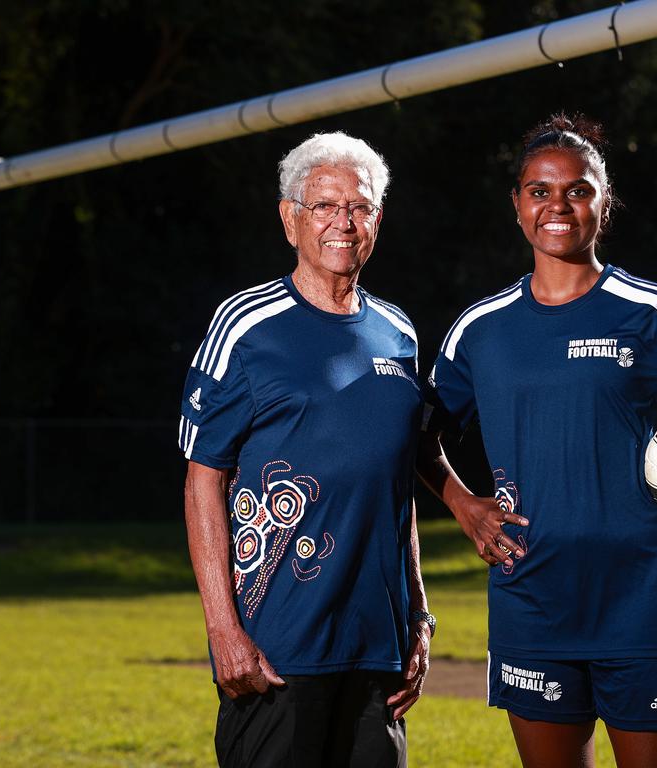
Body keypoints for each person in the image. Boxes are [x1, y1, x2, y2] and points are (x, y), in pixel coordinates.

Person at [417, 114, 657, 768]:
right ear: (517, 204)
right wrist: (463, 504)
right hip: (531, 602)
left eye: (578, 190)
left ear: (605, 201)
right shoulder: (482, 328)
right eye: (539, 191)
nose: (557, 206)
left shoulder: (651, 310)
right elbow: (414, 440)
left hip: (642, 606)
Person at [179, 131, 433, 768]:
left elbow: (394, 486)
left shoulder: (398, 332)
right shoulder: (245, 327)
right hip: (277, 648)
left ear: (378, 218)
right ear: (290, 218)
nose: (343, 222)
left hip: (379, 647)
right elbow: (203, 478)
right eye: (324, 205)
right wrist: (222, 631)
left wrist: (419, 616)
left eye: (361, 206)